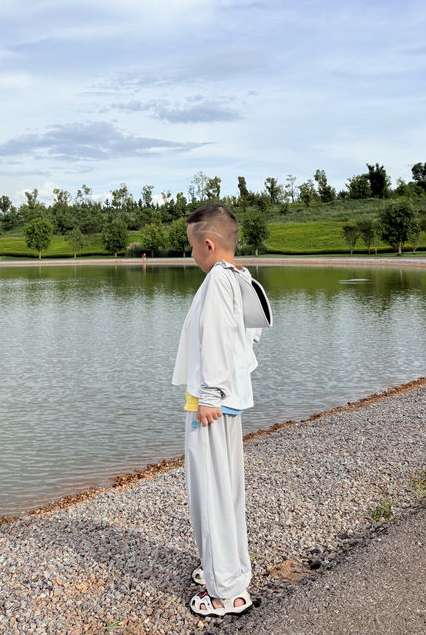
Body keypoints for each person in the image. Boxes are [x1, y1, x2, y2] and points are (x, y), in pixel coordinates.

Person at [172, 204, 272, 618]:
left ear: (209, 245)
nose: (191, 255)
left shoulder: (216, 281)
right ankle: (226, 569)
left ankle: (226, 593)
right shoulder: (239, 276)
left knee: (211, 495)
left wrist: (211, 393)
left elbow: (215, 338)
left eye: (192, 248)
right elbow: (249, 338)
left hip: (212, 404)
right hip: (227, 400)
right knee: (226, 492)